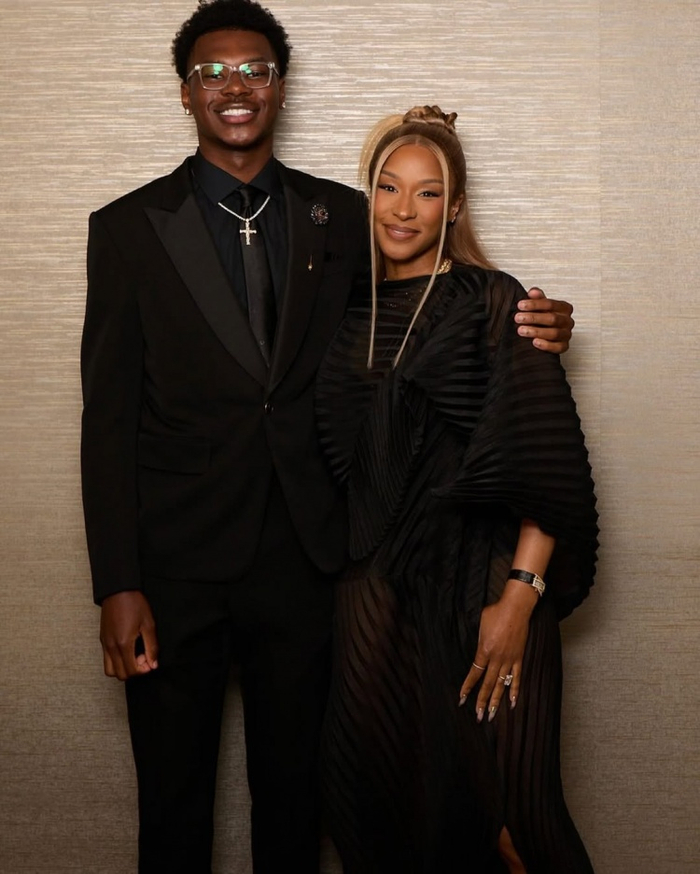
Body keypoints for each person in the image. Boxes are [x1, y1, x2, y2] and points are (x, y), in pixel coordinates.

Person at [80, 0, 577, 869]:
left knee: (299, 807)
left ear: (280, 86)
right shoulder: (126, 229)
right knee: (171, 805)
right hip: (175, 569)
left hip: (312, 569)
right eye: (212, 72)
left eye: (255, 70)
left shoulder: (342, 217)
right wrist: (117, 584)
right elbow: (108, 416)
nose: (236, 86)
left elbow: (433, 292)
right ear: (186, 92)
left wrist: (538, 323)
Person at [316, 106, 599, 874]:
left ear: (456, 207)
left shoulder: (493, 300)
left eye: (428, 191)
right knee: (386, 821)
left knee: (521, 825)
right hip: (379, 605)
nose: (404, 209)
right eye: (388, 187)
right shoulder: (339, 311)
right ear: (367, 195)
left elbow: (545, 462)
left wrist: (518, 601)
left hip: (485, 593)